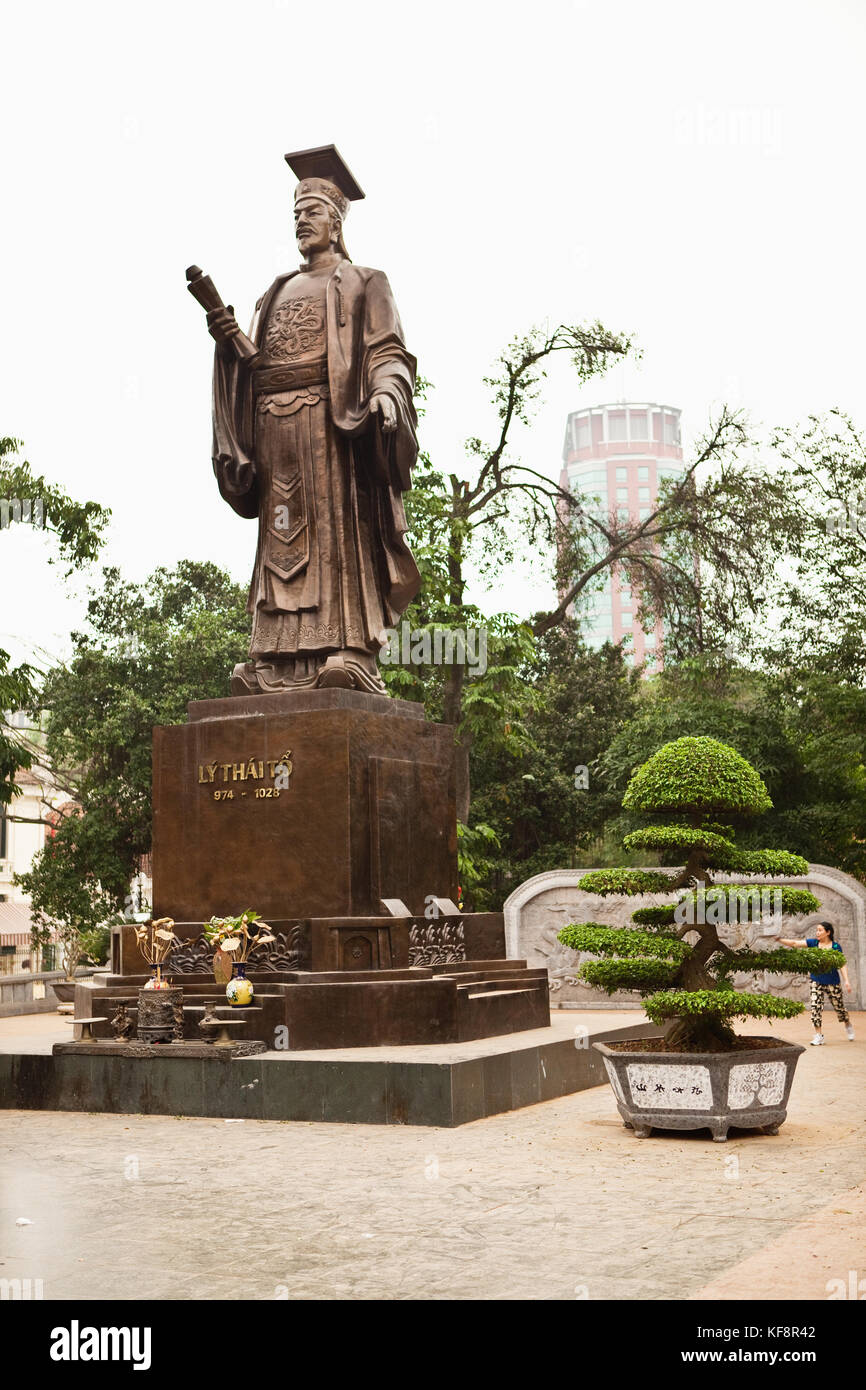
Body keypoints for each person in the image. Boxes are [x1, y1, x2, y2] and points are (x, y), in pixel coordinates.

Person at [205, 145, 420, 695]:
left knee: (333, 538)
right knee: (280, 538)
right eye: (296, 214)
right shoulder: (273, 291)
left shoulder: (365, 282)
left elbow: (388, 352)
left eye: (312, 213)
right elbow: (250, 367)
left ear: (337, 221)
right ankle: (273, 661)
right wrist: (229, 350)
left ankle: (343, 649)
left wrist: (387, 395)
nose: (302, 222)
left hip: (331, 426)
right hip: (275, 429)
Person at [779, 921, 855, 1045]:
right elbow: (794, 943)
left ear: (828, 932)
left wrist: (846, 981)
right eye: (817, 930)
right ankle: (818, 1035)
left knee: (840, 1009)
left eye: (820, 930)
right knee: (815, 1008)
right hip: (816, 981)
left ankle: (847, 1023)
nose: (817, 932)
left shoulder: (835, 947)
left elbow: (842, 964)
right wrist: (779, 939)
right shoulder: (813, 943)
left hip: (832, 982)